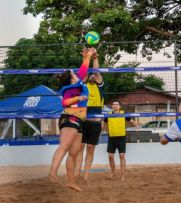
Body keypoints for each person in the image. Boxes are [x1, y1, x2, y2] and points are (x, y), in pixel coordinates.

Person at [48, 47, 96, 191]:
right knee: (64, 147)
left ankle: (71, 181)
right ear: (71, 79)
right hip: (70, 117)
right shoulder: (70, 89)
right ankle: (52, 173)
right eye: (73, 74)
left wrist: (87, 56)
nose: (76, 74)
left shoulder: (77, 84)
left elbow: (83, 70)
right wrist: (78, 98)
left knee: (74, 153)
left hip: (78, 120)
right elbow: (65, 103)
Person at [75, 52, 104, 182]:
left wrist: (95, 57)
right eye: (90, 74)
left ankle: (86, 174)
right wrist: (85, 57)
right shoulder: (84, 83)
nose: (92, 75)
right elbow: (84, 72)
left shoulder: (99, 84)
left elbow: (96, 71)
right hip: (83, 120)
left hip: (95, 123)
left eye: (94, 75)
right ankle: (77, 173)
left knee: (90, 149)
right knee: (80, 148)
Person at [104, 101, 137, 180]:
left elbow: (131, 121)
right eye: (114, 104)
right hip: (111, 137)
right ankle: (113, 173)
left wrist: (135, 123)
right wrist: (101, 127)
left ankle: (123, 175)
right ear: (112, 106)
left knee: (122, 156)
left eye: (117, 104)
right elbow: (103, 122)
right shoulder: (108, 115)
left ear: (119, 107)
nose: (115, 106)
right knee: (110, 157)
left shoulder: (123, 113)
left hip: (121, 137)